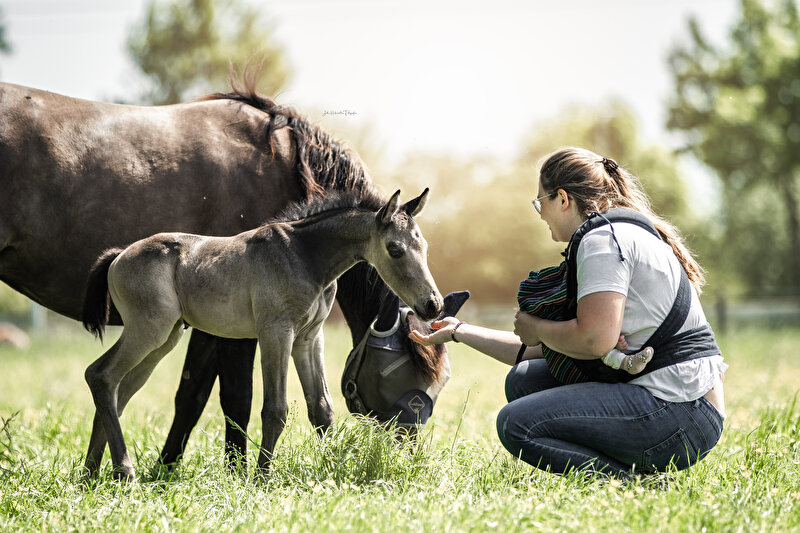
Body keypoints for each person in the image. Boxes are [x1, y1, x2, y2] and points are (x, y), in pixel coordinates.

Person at [410, 147, 726, 478]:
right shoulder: (616, 231)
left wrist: (537, 326)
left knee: (515, 424)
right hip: (687, 409)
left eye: (540, 202)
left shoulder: (602, 241)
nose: (540, 213)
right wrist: (458, 330)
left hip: (681, 414)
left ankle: (628, 484)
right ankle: (632, 473)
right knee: (524, 381)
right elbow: (542, 349)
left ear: (563, 199)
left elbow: (593, 340)